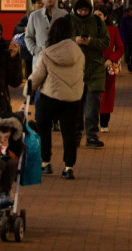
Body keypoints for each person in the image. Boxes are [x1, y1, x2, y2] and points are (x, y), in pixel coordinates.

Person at [29, 15, 84, 180]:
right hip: (73, 98)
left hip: (50, 96)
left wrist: (28, 88)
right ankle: (69, 167)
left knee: (43, 127)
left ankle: (45, 162)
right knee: (69, 132)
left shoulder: (46, 53)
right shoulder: (78, 53)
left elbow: (37, 76)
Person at [69, 0, 110, 148]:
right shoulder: (68, 21)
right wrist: (75, 40)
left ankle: (92, 135)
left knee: (93, 106)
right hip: (74, 71)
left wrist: (90, 41)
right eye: (80, 10)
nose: (82, 12)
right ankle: (76, 135)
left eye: (85, 10)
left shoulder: (98, 22)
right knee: (76, 107)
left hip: (95, 70)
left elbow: (106, 42)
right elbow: (60, 39)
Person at [95, 3, 123, 133]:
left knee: (107, 95)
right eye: (94, 15)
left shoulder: (113, 30)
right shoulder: (88, 29)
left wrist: (111, 59)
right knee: (92, 95)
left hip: (107, 67)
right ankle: (92, 122)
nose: (96, 17)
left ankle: (104, 123)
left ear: (105, 17)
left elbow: (120, 48)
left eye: (99, 15)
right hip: (92, 66)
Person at [24, 0, 67, 71]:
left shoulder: (64, 15)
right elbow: (28, 37)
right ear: (43, 0)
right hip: (40, 60)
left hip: (58, 60)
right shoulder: (34, 16)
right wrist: (35, 51)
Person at [12, 0, 43, 79]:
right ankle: (29, 90)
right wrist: (26, 28)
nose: (41, 5)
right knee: (30, 73)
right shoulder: (27, 17)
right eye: (39, 3)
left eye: (42, 3)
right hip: (29, 50)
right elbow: (16, 28)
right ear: (33, 4)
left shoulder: (47, 16)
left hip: (42, 48)